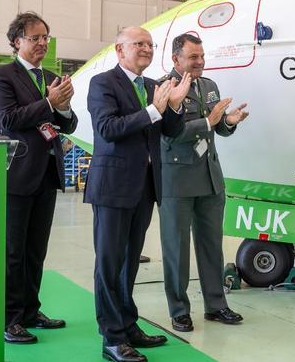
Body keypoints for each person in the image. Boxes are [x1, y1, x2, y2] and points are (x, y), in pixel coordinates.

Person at [85, 26, 191, 362]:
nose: (146, 48)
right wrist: (153, 110)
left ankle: (128, 326)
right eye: (139, 44)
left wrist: (173, 106)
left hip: (144, 187)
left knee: (128, 264)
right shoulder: (103, 83)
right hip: (113, 188)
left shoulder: (152, 86)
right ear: (120, 49)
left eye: (149, 44)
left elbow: (171, 132)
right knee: (109, 263)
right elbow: (108, 129)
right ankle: (112, 338)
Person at [0, 11, 78, 344]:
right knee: (13, 251)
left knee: (36, 250)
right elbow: (7, 119)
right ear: (16, 41)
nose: (42, 43)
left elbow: (68, 124)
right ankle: (9, 319)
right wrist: (49, 102)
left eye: (46, 37)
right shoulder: (0, 76)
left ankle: (30, 310)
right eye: (35, 37)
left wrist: (63, 107)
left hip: (48, 175)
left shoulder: (50, 76)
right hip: (15, 174)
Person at [159, 33, 249, 333]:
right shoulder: (163, 88)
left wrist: (228, 122)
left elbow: (216, 128)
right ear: (176, 59)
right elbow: (169, 133)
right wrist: (209, 121)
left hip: (210, 178)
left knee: (211, 246)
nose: (200, 62)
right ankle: (179, 310)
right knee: (177, 248)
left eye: (201, 56)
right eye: (193, 57)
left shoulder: (208, 86)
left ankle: (216, 305)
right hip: (178, 179)